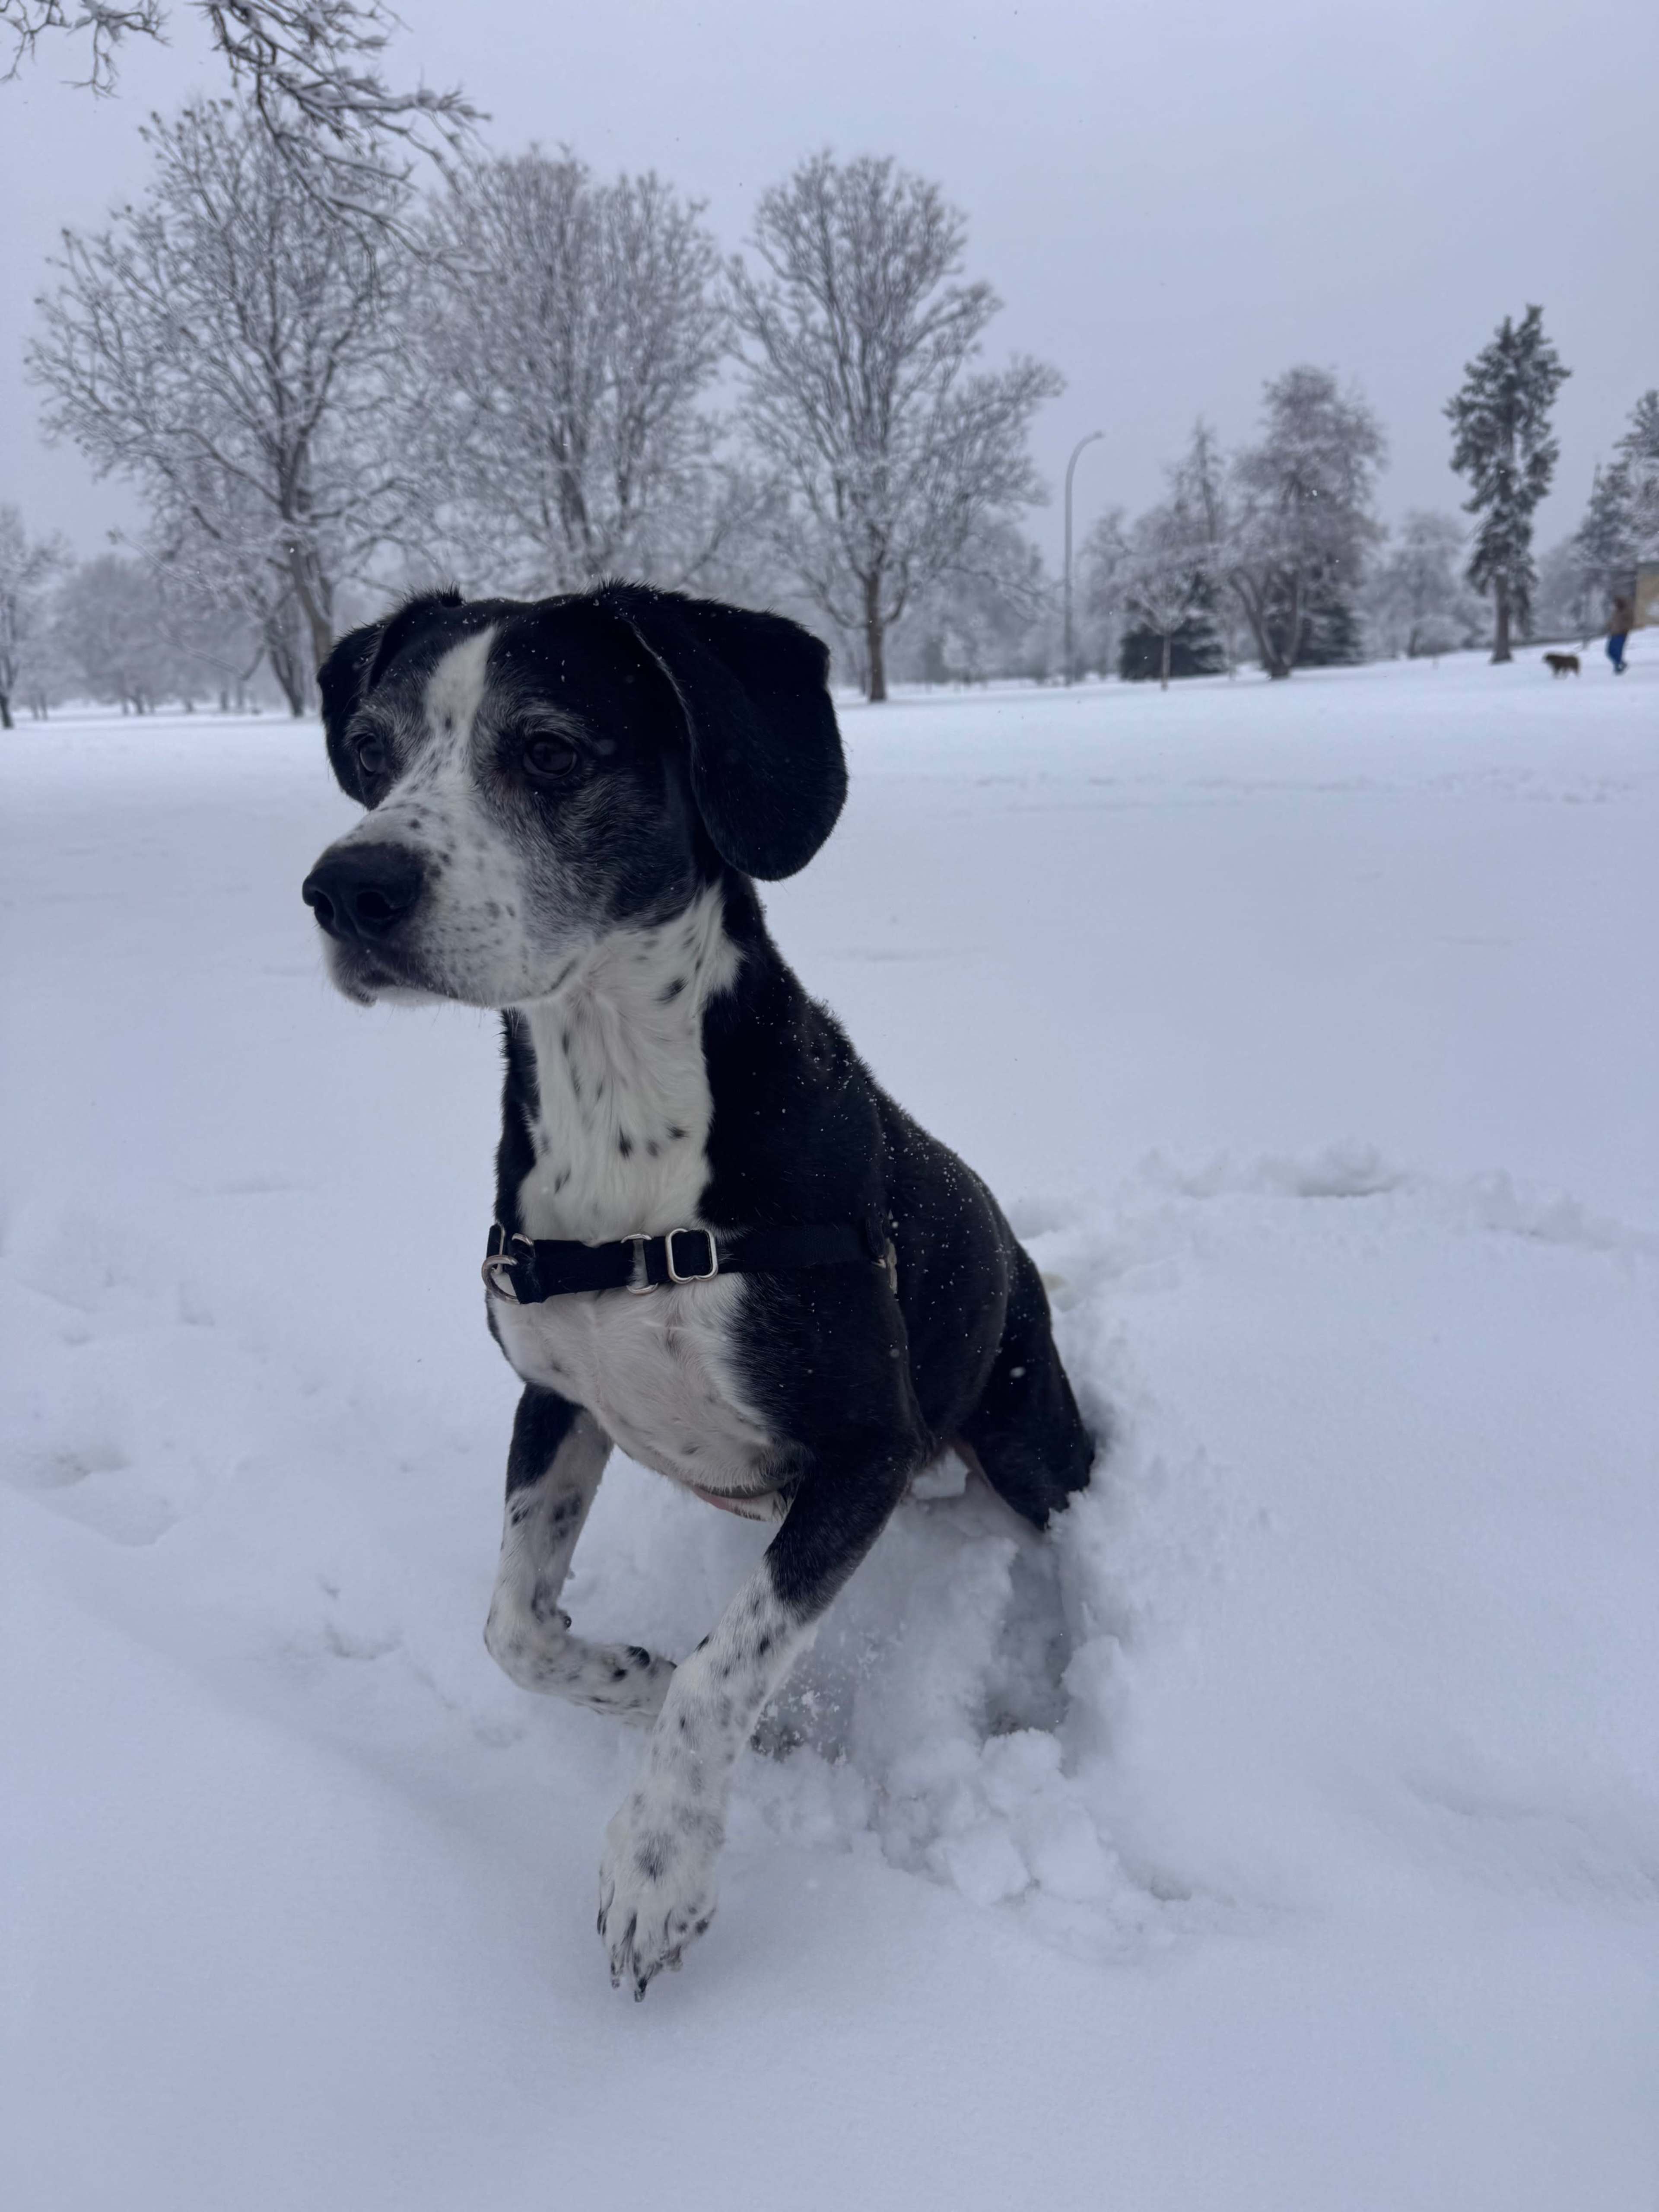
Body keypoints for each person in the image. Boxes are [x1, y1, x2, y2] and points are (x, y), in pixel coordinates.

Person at [1606, 593, 1633, 674]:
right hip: (1613, 634)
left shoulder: (1626, 611)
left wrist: (1625, 629)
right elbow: (1613, 622)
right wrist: (1609, 626)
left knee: (1618, 651)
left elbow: (1630, 622)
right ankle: (1621, 663)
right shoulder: (1616, 612)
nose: (1615, 605)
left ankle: (1618, 667)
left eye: (1617, 603)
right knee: (1610, 651)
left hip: (1621, 634)